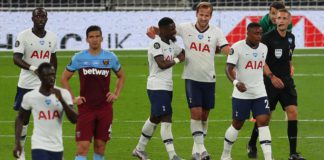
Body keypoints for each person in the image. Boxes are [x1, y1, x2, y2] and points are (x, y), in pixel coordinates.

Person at [147, 2, 230, 159]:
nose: (203, 18)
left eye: (207, 15)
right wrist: (154, 31)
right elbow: (165, 30)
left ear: (211, 16)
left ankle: (195, 151)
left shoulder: (216, 31)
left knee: (204, 116)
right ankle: (202, 149)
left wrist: (234, 55)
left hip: (209, 78)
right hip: (191, 78)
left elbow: (224, 48)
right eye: (201, 15)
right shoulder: (185, 28)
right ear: (196, 14)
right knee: (195, 113)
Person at [248, 9, 306, 160]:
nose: (280, 20)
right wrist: (272, 77)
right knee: (265, 118)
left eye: (284, 18)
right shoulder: (267, 38)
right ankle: (252, 143)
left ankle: (293, 153)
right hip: (269, 82)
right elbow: (261, 61)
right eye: (278, 18)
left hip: (286, 81)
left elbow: (289, 56)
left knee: (292, 112)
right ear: (275, 20)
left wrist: (290, 66)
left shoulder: (291, 38)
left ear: (289, 21)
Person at [61, 25, 125, 160]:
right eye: (91, 37)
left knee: (100, 146)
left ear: (101, 38)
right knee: (82, 147)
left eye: (97, 36)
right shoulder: (79, 58)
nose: (94, 39)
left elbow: (121, 76)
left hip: (105, 108)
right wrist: (72, 98)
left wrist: (116, 94)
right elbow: (64, 78)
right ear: (87, 39)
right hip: (86, 108)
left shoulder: (110, 57)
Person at [132, 17, 185, 160]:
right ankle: (172, 155)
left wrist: (176, 59)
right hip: (157, 86)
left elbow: (183, 53)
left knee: (154, 117)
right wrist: (177, 60)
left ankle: (139, 149)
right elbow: (162, 64)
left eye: (174, 28)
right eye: (171, 29)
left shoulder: (171, 43)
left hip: (167, 86)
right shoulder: (156, 44)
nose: (174, 31)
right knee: (166, 116)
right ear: (162, 30)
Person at [220, 22, 272, 160]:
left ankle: (268, 157)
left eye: (260, 33)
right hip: (241, 93)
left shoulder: (264, 48)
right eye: (256, 33)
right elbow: (228, 68)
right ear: (247, 33)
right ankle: (225, 155)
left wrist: (271, 76)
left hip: (259, 92)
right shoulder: (237, 47)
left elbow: (262, 64)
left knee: (263, 121)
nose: (259, 36)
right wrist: (236, 83)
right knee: (237, 123)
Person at [12, 7, 57, 160]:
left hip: (44, 86)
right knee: (23, 118)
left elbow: (53, 58)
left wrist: (53, 77)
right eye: (37, 16)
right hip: (26, 84)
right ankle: (21, 150)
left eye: (43, 16)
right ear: (32, 18)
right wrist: (34, 68)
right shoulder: (23, 36)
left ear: (47, 18)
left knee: (46, 118)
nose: (40, 18)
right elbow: (16, 58)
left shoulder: (52, 37)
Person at [13, 62, 77, 160]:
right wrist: (18, 143)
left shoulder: (63, 94)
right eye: (47, 75)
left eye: (53, 74)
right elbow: (20, 118)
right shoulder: (31, 96)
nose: (51, 78)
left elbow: (74, 119)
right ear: (40, 77)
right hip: (39, 145)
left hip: (57, 147)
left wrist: (62, 101)